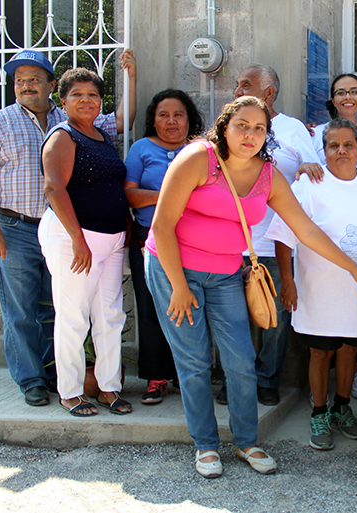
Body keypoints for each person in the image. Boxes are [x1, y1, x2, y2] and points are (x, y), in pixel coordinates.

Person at [144, 96, 357, 478]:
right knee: (195, 361)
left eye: (259, 128)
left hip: (224, 273)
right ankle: (205, 445)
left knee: (240, 360)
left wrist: (351, 268)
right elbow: (162, 225)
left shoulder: (268, 175)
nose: (250, 134)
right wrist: (177, 287)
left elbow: (305, 229)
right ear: (224, 127)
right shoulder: (196, 158)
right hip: (174, 269)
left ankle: (246, 441)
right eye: (242, 125)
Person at [0, 49, 135, 407]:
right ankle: (34, 381)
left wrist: (130, 77)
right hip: (20, 227)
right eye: (19, 80)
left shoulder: (77, 119)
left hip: (76, 230)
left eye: (33, 79)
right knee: (23, 309)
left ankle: (62, 377)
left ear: (50, 84)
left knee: (58, 309)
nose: (26, 85)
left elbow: (121, 120)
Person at [267, 118, 357, 450]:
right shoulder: (309, 185)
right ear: (323, 151)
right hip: (318, 289)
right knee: (320, 353)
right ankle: (319, 411)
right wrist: (288, 281)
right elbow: (282, 235)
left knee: (351, 350)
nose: (341, 151)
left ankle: (341, 407)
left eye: (348, 145)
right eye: (333, 145)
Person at [38, 68, 133, 417]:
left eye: (92, 95)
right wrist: (79, 240)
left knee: (110, 316)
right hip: (75, 239)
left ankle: (109, 387)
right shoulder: (63, 136)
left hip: (110, 240)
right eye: (77, 94)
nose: (86, 100)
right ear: (63, 102)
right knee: (74, 316)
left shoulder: (101, 137)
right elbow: (54, 188)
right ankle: (71, 392)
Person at [229, 64, 323, 407]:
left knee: (276, 318)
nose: (237, 92)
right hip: (229, 243)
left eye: (245, 85)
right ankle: (235, 380)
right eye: (237, 86)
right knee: (232, 318)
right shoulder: (229, 127)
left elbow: (315, 172)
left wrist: (302, 170)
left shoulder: (292, 129)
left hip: (273, 241)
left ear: (268, 93)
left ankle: (268, 378)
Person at [124, 89, 203, 404]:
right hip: (148, 238)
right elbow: (130, 195)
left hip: (193, 240)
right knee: (151, 308)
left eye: (178, 114)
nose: (171, 121)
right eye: (163, 115)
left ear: (189, 119)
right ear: (153, 121)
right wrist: (171, 195)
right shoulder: (141, 149)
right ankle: (156, 378)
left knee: (191, 308)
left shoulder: (200, 150)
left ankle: (188, 376)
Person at [299, 73, 357, 190]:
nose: (348, 97)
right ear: (333, 100)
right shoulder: (314, 135)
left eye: (354, 92)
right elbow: (302, 173)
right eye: (341, 93)